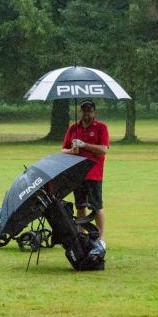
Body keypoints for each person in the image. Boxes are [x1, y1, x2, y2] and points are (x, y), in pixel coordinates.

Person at [62, 99, 109, 250]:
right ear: (80, 112)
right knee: (80, 206)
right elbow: (63, 149)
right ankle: (80, 236)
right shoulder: (73, 127)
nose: (86, 114)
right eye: (84, 111)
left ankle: (101, 238)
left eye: (89, 111)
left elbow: (103, 149)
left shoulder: (101, 127)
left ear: (94, 112)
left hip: (94, 173)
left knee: (97, 206)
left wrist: (84, 145)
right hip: (77, 173)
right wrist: (72, 150)